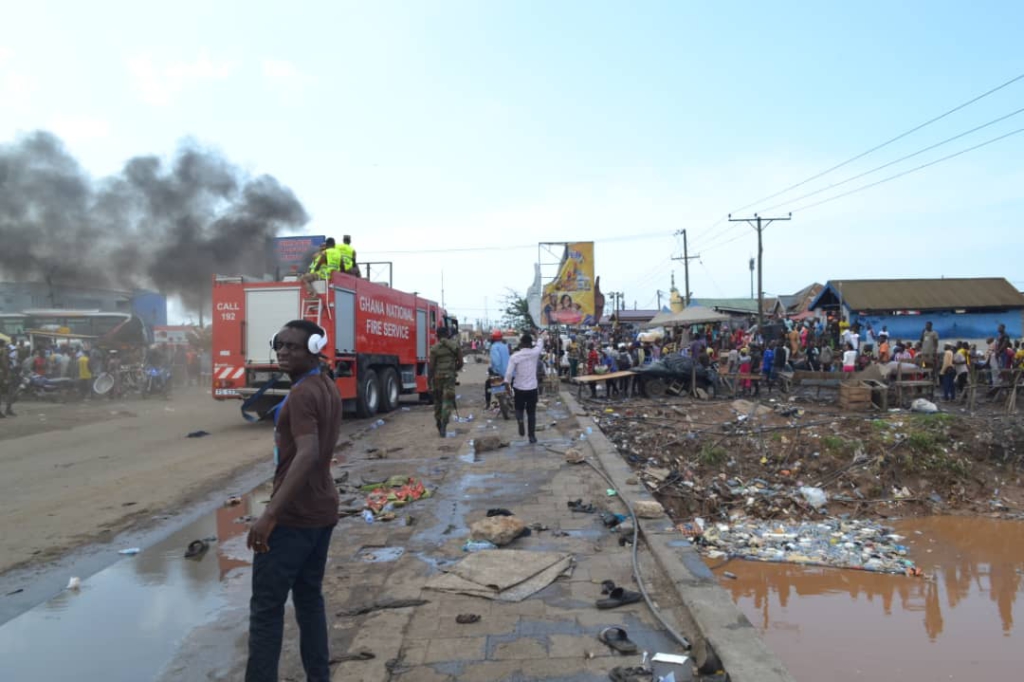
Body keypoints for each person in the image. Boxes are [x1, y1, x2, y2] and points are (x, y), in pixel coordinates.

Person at [245, 319, 342, 682]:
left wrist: (269, 516)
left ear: (314, 349)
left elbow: (307, 453)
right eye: (279, 345)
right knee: (308, 601)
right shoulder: (325, 385)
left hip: (294, 516)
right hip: (321, 511)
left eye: (293, 347)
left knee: (266, 611)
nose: (284, 352)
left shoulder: (302, 394)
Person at [505, 331, 547, 443]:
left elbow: (509, 373)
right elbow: (540, 343)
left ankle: (520, 419)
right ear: (530, 344)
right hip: (532, 388)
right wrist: (538, 336)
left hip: (519, 388)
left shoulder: (515, 356)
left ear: (521, 343)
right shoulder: (535, 353)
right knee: (531, 413)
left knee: (519, 408)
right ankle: (532, 436)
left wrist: (507, 384)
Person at [428, 326, 463, 437]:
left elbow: (431, 367)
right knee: (447, 401)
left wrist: (429, 381)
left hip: (437, 378)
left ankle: (438, 422)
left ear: (437, 336)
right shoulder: (455, 346)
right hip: (449, 378)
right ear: (448, 334)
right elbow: (461, 362)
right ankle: (444, 424)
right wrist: (453, 370)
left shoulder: (434, 348)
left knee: (438, 401)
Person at [485, 330, 509, 408]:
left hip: (499, 372)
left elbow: (497, 361)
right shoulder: (505, 346)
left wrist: (495, 370)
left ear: (493, 338)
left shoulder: (494, 347)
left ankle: (488, 403)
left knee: (487, 384)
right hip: (509, 372)